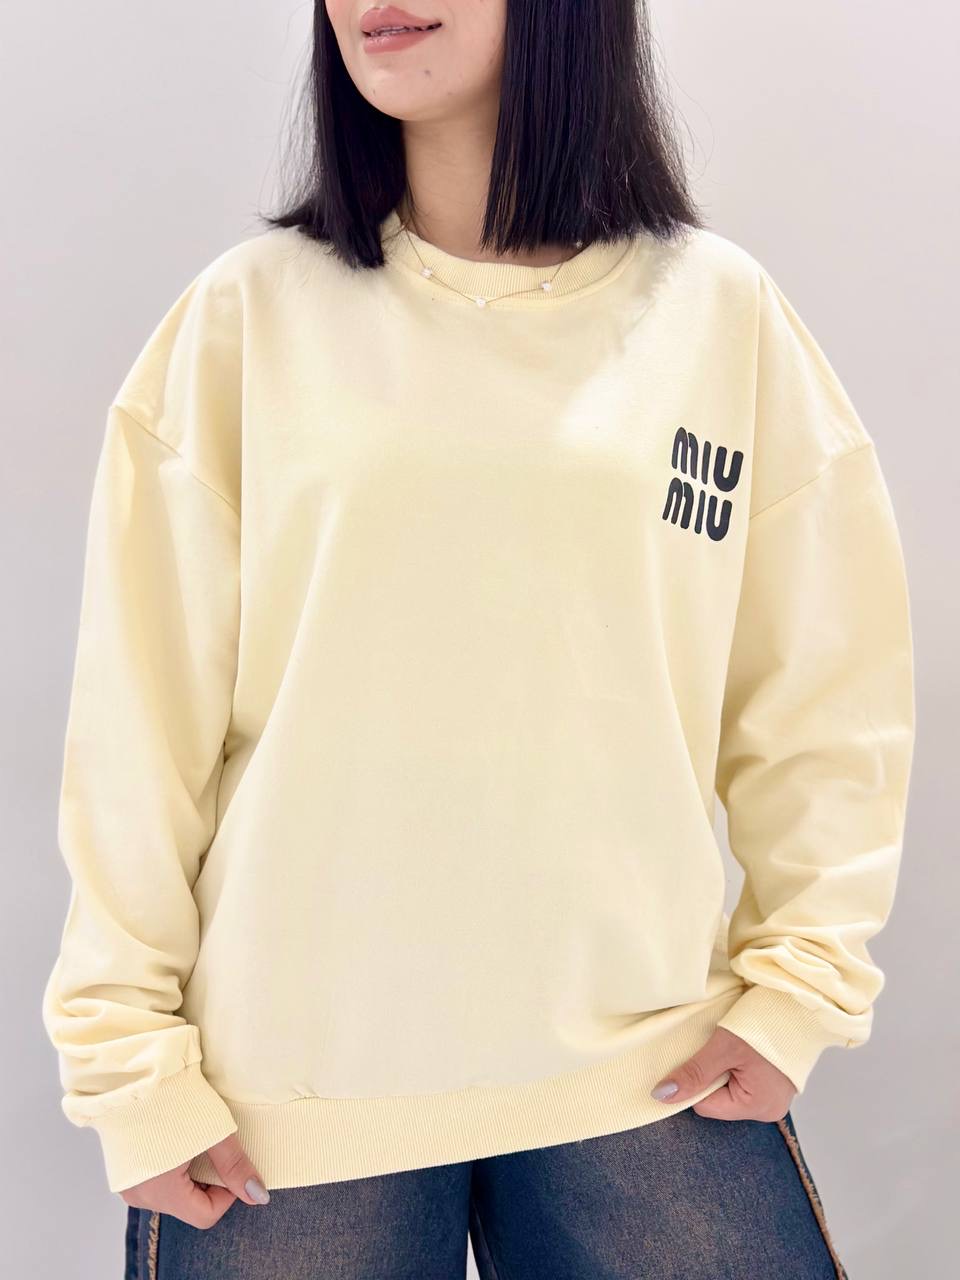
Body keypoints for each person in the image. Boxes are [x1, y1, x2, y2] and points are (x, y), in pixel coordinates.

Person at [42, 2, 916, 1277]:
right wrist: (129, 1064)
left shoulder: (719, 317)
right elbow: (139, 723)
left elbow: (825, 692)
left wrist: (799, 987)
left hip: (647, 1066)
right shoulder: (247, 319)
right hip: (289, 1104)